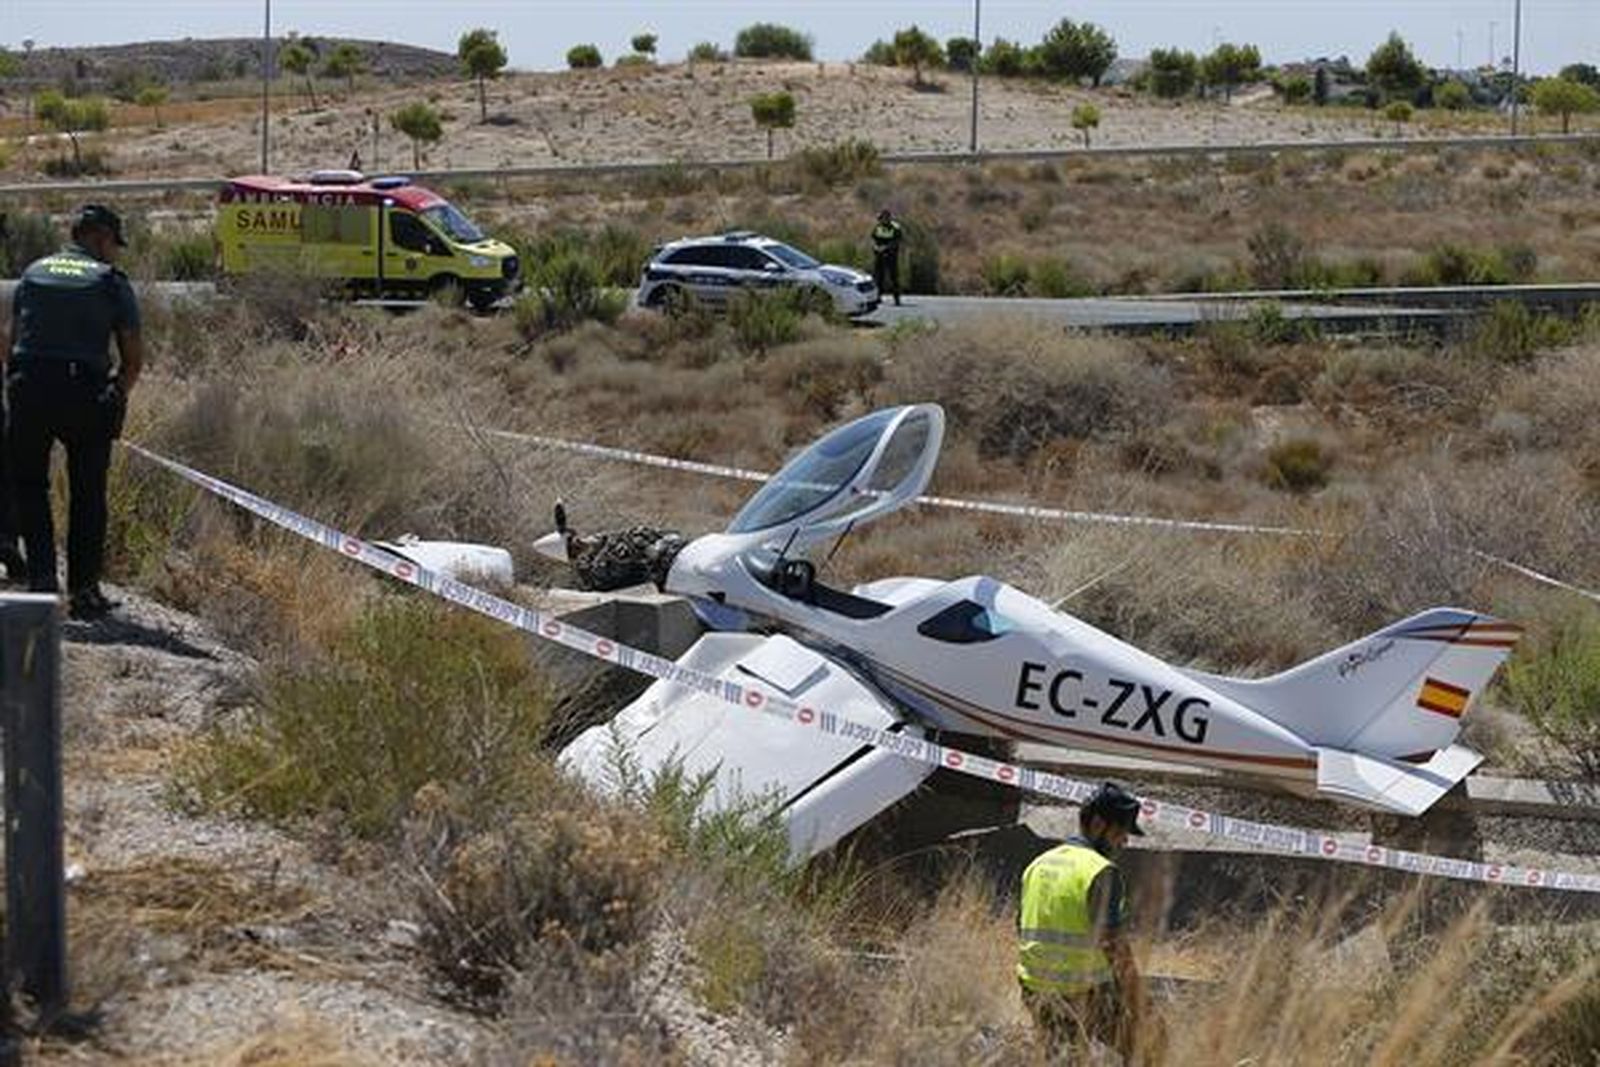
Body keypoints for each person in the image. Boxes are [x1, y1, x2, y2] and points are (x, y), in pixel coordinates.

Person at [4, 204, 143, 620]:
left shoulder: (33, 272)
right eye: (113, 245)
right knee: (87, 494)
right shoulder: (110, 280)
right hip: (84, 391)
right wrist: (117, 392)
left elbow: (10, 343)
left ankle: (43, 582)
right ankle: (85, 592)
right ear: (100, 238)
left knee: (30, 487)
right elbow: (133, 357)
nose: (114, 253)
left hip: (29, 387)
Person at [1018, 781, 1157, 1064]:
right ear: (1097, 824)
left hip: (1035, 990)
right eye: (1120, 831)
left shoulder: (1039, 864)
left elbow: (1021, 928)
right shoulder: (1100, 871)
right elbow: (1113, 945)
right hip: (1085, 992)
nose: (1124, 841)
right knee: (1151, 1045)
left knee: (1063, 1059)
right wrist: (1138, 998)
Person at [870, 207, 903, 307]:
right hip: (879, 256)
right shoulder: (877, 227)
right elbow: (873, 239)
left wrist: (886, 248)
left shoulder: (895, 228)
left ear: (888, 218)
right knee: (878, 277)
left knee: (894, 277)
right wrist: (876, 247)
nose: (882, 220)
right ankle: (878, 297)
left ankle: (897, 298)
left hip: (891, 256)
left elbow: (897, 241)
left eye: (884, 217)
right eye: (881, 218)